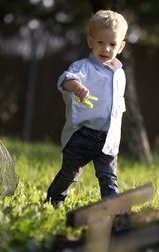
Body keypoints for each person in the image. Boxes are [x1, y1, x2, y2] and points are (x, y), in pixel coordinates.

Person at [45, 10, 128, 208]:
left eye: (112, 44)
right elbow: (65, 79)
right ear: (90, 41)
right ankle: (54, 199)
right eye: (100, 42)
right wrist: (77, 86)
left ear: (121, 46)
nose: (106, 48)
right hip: (82, 135)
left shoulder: (120, 74)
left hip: (108, 138)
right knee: (69, 174)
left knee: (108, 177)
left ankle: (112, 209)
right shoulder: (83, 67)